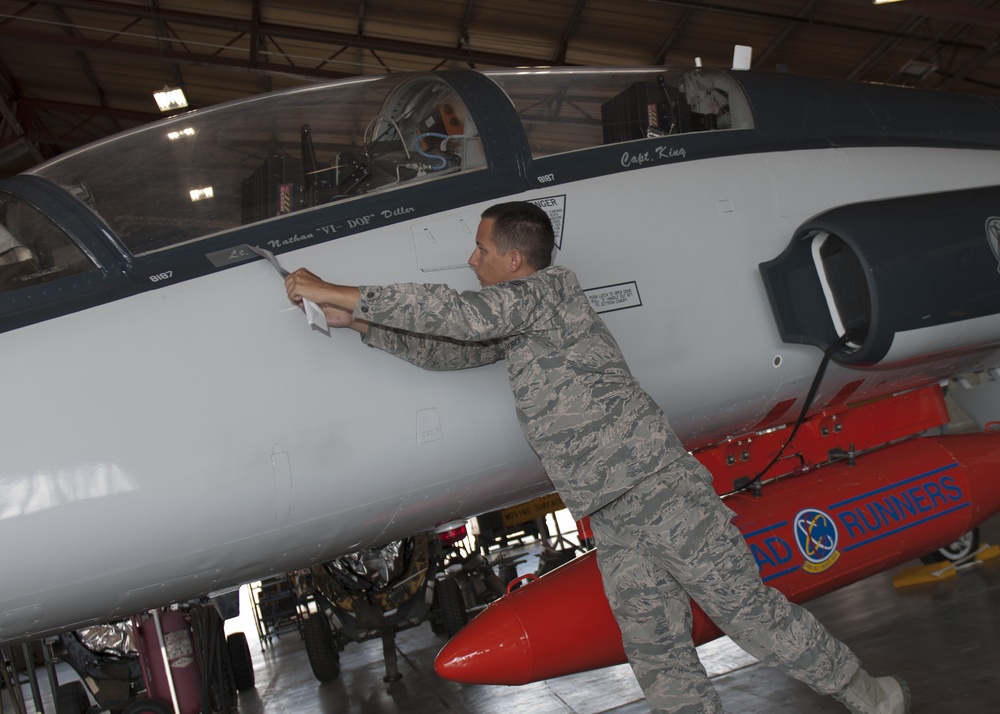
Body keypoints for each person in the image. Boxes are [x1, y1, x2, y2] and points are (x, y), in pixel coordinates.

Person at [284, 201, 911, 714]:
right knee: (654, 645)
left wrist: (333, 288)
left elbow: (458, 316)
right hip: (611, 508)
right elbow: (453, 348)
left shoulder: (549, 293)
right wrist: (360, 325)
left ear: (514, 256)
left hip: (658, 488)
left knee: (746, 613)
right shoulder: (521, 322)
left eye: (480, 249)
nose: (470, 260)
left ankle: (866, 694)